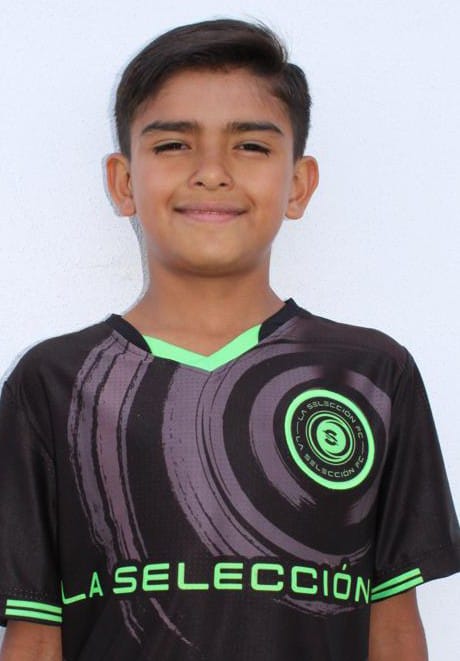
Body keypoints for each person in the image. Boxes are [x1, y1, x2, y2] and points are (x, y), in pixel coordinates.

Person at [0, 17, 459, 661]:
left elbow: (394, 628)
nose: (211, 172)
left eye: (249, 146)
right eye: (173, 144)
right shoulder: (55, 383)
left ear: (298, 183)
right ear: (123, 182)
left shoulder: (372, 375)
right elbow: (34, 636)